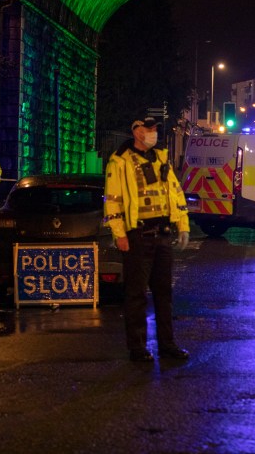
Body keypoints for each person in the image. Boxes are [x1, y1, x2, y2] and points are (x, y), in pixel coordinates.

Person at [104, 117, 191, 362]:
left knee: (164, 294)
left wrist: (182, 225)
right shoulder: (120, 160)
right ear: (136, 131)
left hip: (162, 234)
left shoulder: (162, 157)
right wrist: (119, 233)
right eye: (149, 129)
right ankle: (138, 348)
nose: (153, 133)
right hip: (137, 235)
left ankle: (167, 345)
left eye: (155, 129)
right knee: (136, 295)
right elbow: (112, 199)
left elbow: (175, 192)